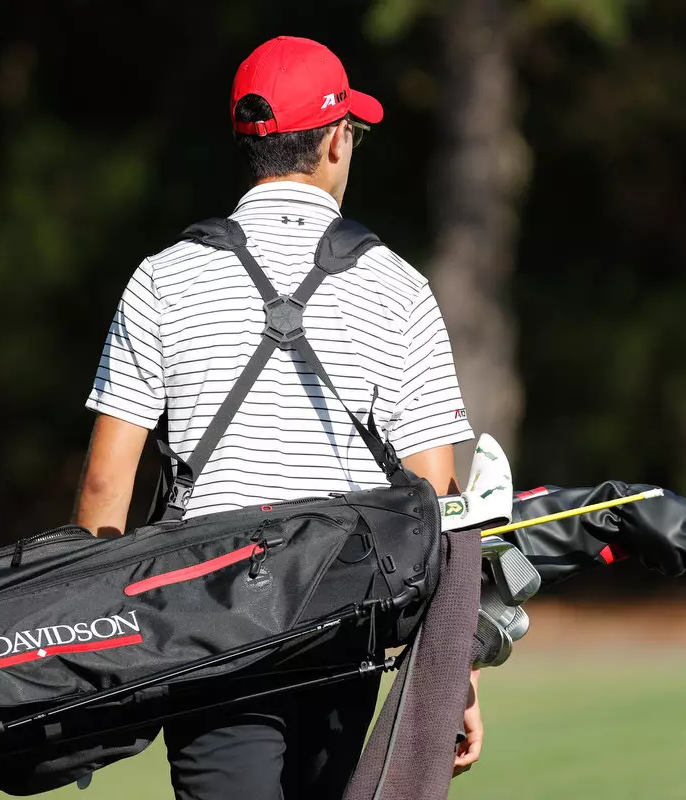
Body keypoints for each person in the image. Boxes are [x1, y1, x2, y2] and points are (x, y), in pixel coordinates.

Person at [75, 35, 481, 800]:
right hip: (344, 618)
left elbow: (104, 489)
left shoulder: (161, 278)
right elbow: (439, 505)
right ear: (334, 140)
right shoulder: (400, 288)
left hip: (206, 621)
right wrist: (450, 676)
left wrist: (101, 650)